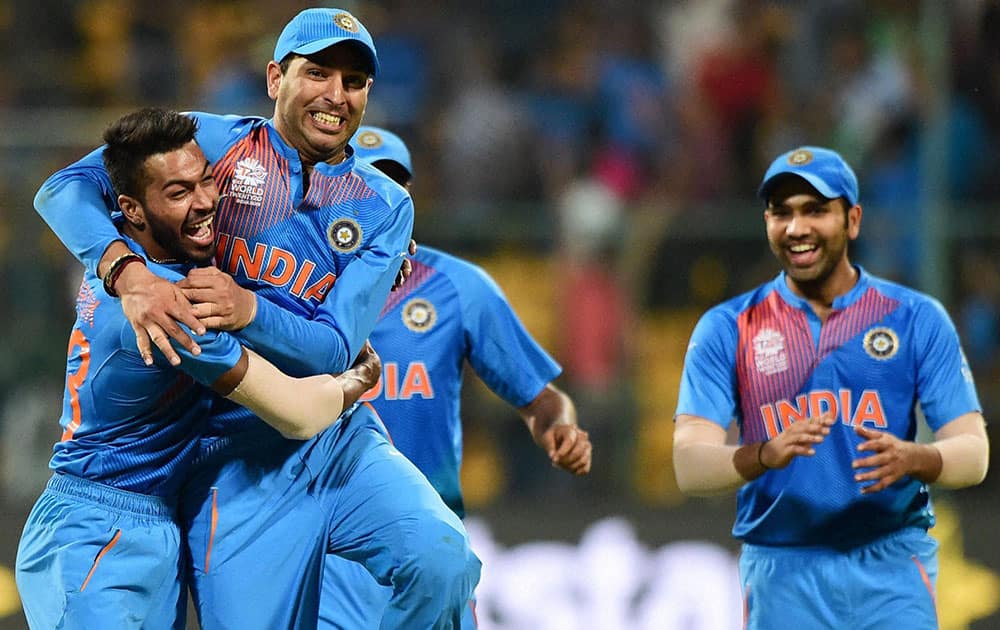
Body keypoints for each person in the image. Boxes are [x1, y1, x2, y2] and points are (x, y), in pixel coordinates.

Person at [33, 8, 480, 629]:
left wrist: (249, 309)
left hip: (338, 438)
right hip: (232, 458)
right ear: (275, 77)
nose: (336, 95)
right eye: (318, 72)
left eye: (354, 82)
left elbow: (332, 350)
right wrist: (127, 274)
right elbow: (63, 188)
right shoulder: (210, 145)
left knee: (444, 561)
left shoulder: (384, 205)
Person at [16, 108, 382, 629]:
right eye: (179, 192)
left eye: (207, 179)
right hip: (93, 528)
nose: (207, 201)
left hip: (156, 522)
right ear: (132, 210)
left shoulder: (135, 259)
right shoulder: (167, 310)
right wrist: (355, 381)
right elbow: (298, 414)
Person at [672, 146, 989, 629]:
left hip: (891, 565)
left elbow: (975, 453)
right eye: (782, 212)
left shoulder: (915, 318)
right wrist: (762, 454)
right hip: (782, 571)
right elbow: (689, 466)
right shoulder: (728, 327)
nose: (796, 228)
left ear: (853, 220)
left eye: (815, 210)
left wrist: (916, 458)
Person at [318, 126, 594, 628]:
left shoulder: (458, 287)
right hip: (330, 553)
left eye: (393, 184)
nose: (379, 197)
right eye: (363, 183)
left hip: (431, 544)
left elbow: (540, 398)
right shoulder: (294, 281)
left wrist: (560, 427)